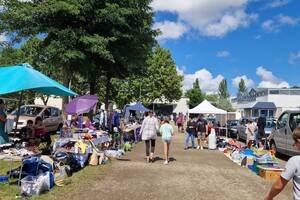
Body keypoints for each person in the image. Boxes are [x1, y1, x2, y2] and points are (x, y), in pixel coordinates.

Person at [265, 127, 300, 200]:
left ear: (299, 141)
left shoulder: (295, 161)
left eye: (295, 143)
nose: (295, 146)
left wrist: (269, 197)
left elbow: (278, 186)